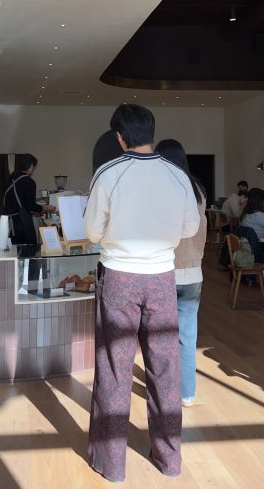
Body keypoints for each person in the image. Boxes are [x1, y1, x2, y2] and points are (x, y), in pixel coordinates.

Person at [84, 105, 200, 482]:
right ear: (151, 131)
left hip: (119, 276)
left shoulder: (109, 173)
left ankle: (111, 464)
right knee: (166, 369)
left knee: (115, 369)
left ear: (120, 137)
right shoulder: (177, 175)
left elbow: (92, 233)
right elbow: (189, 227)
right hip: (162, 277)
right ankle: (169, 460)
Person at [155, 139, 206, 409]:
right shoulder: (197, 189)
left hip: (166, 269)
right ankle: (187, 394)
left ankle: (165, 391)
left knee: (161, 336)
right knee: (188, 335)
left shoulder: (165, 187)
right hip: (194, 271)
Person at [2, 153, 55, 245]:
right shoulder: (29, 181)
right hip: (21, 224)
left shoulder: (11, 179)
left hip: (9, 224)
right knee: (28, 250)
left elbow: (21, 203)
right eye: (34, 168)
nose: (33, 170)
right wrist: (45, 208)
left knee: (14, 250)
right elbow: (30, 206)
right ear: (31, 166)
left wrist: (35, 211)